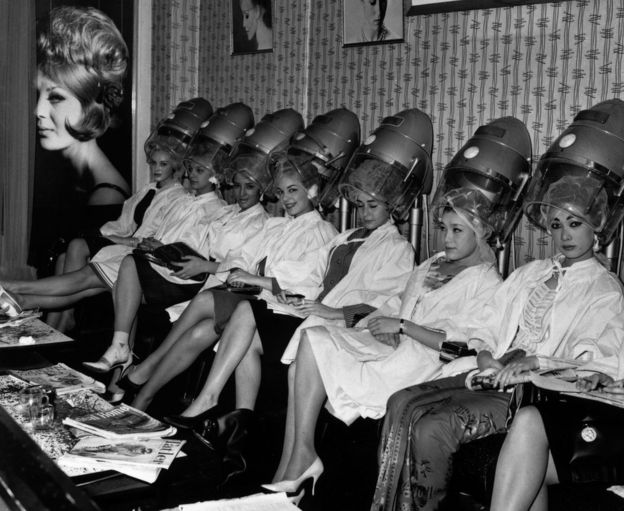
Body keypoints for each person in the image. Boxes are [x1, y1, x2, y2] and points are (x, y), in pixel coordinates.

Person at [370, 174, 624, 511]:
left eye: (575, 223)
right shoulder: (531, 272)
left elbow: (597, 359)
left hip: (533, 392)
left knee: (432, 427)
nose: (565, 235)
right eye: (556, 224)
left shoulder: (604, 289)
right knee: (401, 401)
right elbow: (488, 320)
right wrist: (487, 353)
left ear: (596, 226)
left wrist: (535, 363)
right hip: (489, 375)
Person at [124, 154, 339, 411]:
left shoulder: (322, 233)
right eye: (281, 192)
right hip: (257, 296)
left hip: (283, 308)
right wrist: (240, 274)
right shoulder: (277, 226)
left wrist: (251, 278)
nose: (286, 199)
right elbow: (244, 260)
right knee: (199, 331)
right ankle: (143, 398)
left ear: (313, 191)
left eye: (293, 191)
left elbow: (302, 286)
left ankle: (148, 370)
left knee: (205, 301)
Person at [82, 134, 231, 373]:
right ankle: (120, 363)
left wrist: (162, 248)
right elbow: (165, 235)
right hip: (161, 263)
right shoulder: (183, 201)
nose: (191, 174)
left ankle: (120, 352)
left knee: (129, 265)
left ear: (214, 176)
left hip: (185, 276)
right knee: (126, 272)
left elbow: (203, 251)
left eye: (199, 171)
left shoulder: (218, 210)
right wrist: (156, 245)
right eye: (191, 169)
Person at [0, 141, 186, 316]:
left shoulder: (177, 197)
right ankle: (43, 311)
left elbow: (156, 238)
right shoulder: (149, 189)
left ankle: (19, 291)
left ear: (174, 166)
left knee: (79, 259)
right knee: (71, 253)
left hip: (137, 252)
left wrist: (121, 240)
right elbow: (124, 224)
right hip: (125, 243)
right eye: (153, 163)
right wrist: (108, 236)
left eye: (163, 164)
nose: (156, 169)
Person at [33, 6, 131, 269]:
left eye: (55, 97)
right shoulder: (70, 180)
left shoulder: (107, 196)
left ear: (92, 105)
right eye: (38, 95)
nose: (38, 111)